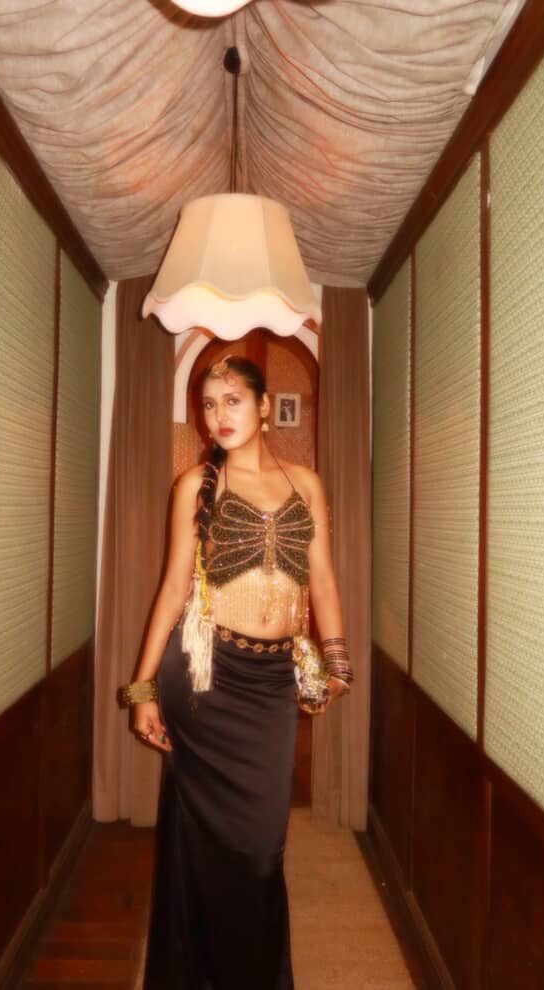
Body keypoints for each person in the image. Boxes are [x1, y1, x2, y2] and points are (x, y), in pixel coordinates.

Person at [123, 354, 354, 989]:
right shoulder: (194, 486)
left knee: (260, 851)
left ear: (262, 406)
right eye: (207, 403)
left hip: (271, 684)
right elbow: (173, 590)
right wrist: (143, 690)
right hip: (204, 682)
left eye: (232, 400)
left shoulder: (306, 484)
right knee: (204, 843)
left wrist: (336, 663)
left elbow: (323, 579)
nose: (218, 415)